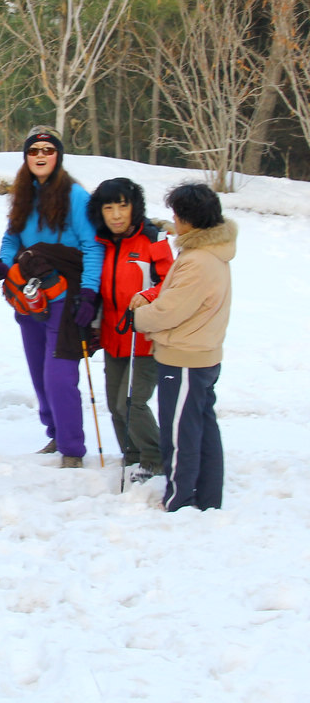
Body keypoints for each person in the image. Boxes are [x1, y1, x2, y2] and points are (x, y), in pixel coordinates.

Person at [0, 126, 103, 468]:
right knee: (38, 371)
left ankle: (72, 449)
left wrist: (89, 291)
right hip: (28, 293)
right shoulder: (22, 195)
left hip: (65, 293)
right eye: (34, 150)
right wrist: (3, 266)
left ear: (58, 156)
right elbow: (11, 239)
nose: (40, 156)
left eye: (47, 150)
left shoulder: (76, 196)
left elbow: (91, 247)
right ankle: (55, 432)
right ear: (26, 157)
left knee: (59, 373)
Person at [130, 183, 235, 511]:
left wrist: (138, 315)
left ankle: (180, 499)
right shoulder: (208, 253)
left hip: (185, 358)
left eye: (176, 215)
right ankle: (207, 496)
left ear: (190, 220)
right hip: (201, 353)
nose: (173, 221)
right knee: (201, 426)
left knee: (180, 434)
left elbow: (170, 309)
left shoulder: (199, 261)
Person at [87, 177, 174, 482]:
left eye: (122, 206)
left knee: (133, 402)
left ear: (134, 207)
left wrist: (147, 297)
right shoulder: (103, 244)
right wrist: (92, 327)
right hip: (113, 336)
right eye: (108, 207)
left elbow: (170, 283)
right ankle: (133, 454)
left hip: (145, 338)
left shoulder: (153, 240)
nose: (116, 215)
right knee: (114, 404)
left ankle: (156, 458)